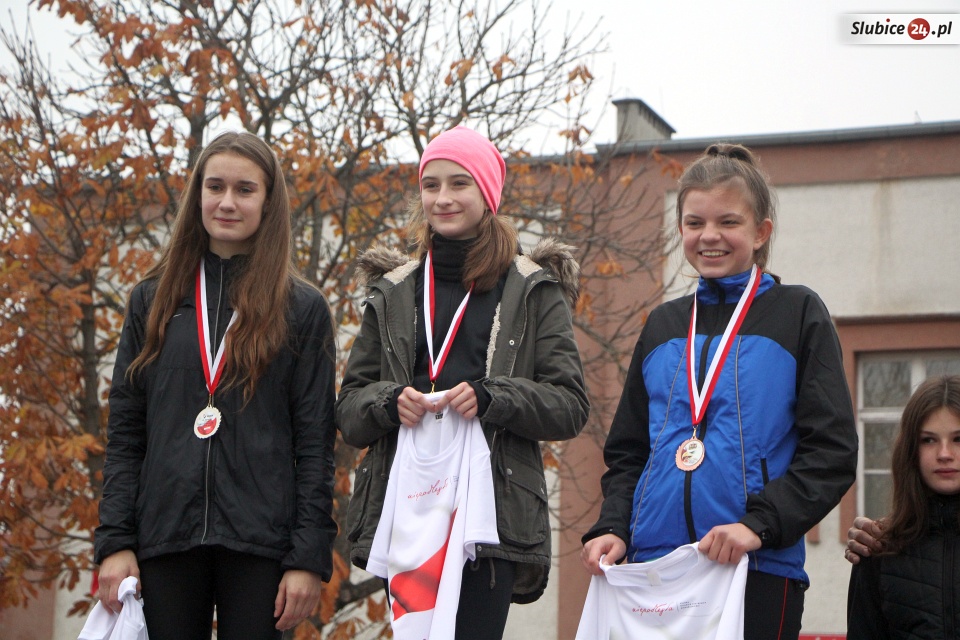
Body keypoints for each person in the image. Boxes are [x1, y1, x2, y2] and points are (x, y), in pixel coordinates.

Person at [579, 143, 859, 639]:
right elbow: (629, 452)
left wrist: (759, 525)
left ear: (760, 231)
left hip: (754, 565)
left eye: (728, 222)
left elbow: (831, 450)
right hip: (655, 570)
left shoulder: (797, 313)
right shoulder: (663, 324)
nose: (709, 236)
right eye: (694, 223)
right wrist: (612, 526)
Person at [336, 125, 589, 639]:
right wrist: (388, 403)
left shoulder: (533, 289)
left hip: (489, 515)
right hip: (410, 507)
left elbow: (569, 405)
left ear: (487, 193)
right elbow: (348, 410)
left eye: (459, 183)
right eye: (431, 185)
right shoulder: (393, 291)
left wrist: (495, 397)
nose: (443, 198)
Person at [94, 132, 338, 640]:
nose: (227, 202)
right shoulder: (152, 300)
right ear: (198, 195)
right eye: (215, 187)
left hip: (262, 546)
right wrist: (115, 542)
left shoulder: (302, 308)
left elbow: (316, 443)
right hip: (164, 539)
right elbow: (125, 433)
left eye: (245, 190)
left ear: (268, 202)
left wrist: (307, 557)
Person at [846, 375, 960, 638]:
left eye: (958, 438)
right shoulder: (876, 548)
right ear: (910, 450)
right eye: (928, 440)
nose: (944, 454)